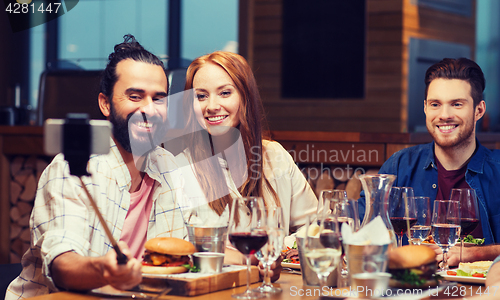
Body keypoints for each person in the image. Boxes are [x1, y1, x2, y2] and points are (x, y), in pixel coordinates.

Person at [5, 35, 186, 299]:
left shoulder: (169, 166)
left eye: (159, 99)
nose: (149, 109)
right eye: (135, 96)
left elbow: (200, 242)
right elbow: (62, 264)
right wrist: (104, 269)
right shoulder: (72, 168)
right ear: (105, 104)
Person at [175, 51, 318, 279]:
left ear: (245, 97)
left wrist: (277, 250)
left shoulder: (274, 155)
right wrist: (250, 257)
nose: (212, 105)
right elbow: (182, 246)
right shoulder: (180, 167)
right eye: (201, 96)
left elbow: (315, 226)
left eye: (224, 93)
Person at [358, 58, 500, 266]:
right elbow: (360, 230)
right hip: (409, 291)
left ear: (479, 110)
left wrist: (476, 254)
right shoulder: (399, 166)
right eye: (435, 104)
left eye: (457, 104)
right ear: (425, 108)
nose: (444, 115)